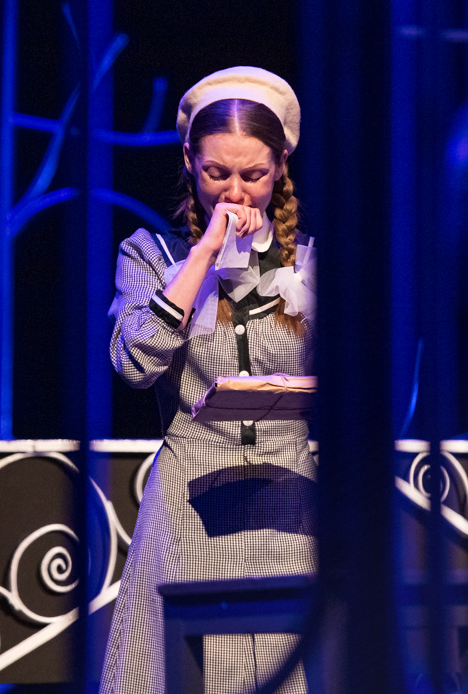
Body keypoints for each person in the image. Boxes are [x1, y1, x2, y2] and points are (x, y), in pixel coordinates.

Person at [101, 67, 317, 694]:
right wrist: (203, 256)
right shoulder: (154, 255)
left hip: (286, 496)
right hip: (190, 499)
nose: (235, 192)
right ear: (190, 162)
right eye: (217, 173)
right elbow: (133, 362)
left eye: (253, 175)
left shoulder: (308, 263)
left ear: (280, 167)